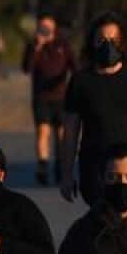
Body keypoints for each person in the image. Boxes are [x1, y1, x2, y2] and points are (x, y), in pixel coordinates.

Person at [60, 12, 127, 207]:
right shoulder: (80, 81)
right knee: (102, 223)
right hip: (94, 168)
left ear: (123, 43)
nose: (108, 46)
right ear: (92, 43)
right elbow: (70, 131)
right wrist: (66, 174)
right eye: (101, 40)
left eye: (113, 40)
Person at [21, 13, 76, 186]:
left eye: (48, 27)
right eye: (42, 27)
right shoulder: (33, 46)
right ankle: (43, 166)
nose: (44, 30)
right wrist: (37, 47)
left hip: (61, 98)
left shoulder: (63, 45)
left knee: (61, 135)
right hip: (41, 98)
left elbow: (75, 67)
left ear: (54, 28)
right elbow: (27, 68)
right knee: (43, 132)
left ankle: (60, 166)